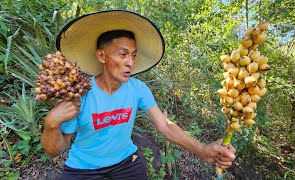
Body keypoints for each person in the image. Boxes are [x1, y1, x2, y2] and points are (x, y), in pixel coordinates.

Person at [41, 10, 236, 180]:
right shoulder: (80, 94)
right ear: (102, 56)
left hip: (125, 161)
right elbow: (54, 150)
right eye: (122, 54)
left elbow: (165, 127)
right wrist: (51, 124)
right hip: (84, 167)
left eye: (133, 55)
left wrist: (202, 150)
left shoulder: (138, 89)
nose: (130, 62)